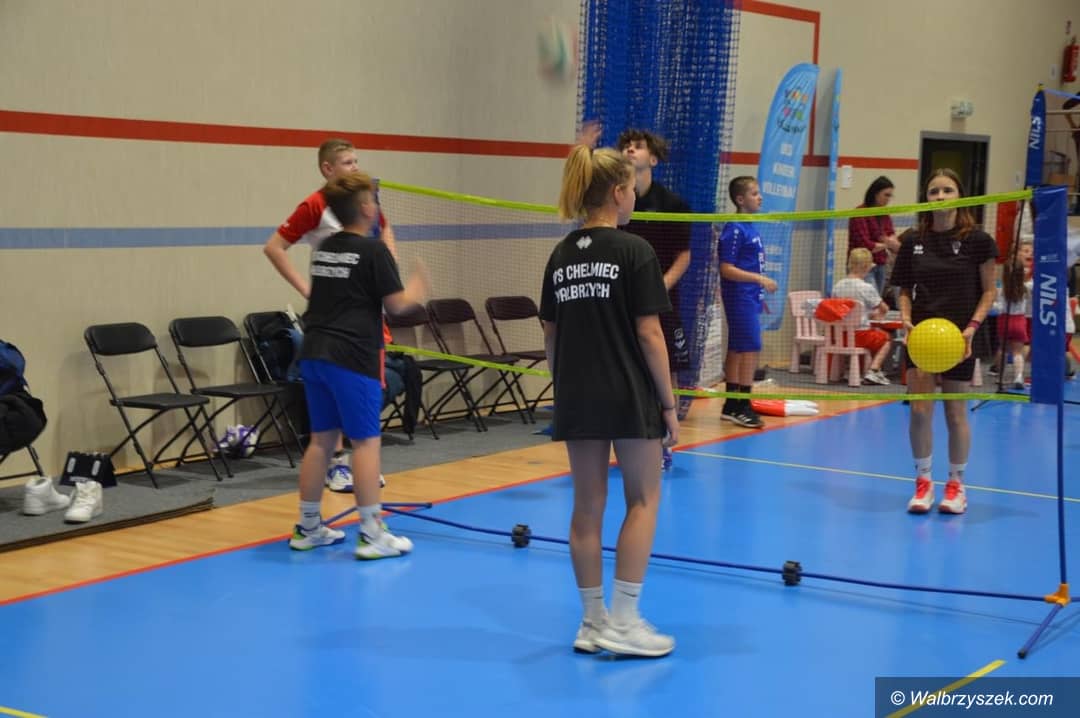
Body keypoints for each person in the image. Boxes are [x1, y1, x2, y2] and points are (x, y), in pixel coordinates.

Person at [540, 142, 679, 657]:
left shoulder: (561, 254)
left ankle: (591, 622)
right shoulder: (634, 250)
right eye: (633, 187)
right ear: (619, 193)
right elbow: (650, 334)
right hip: (628, 392)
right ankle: (623, 621)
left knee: (587, 505)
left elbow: (551, 335)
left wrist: (565, 385)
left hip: (578, 394)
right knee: (643, 499)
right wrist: (669, 404)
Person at [287, 172, 428, 558]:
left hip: (314, 353)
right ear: (366, 208)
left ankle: (308, 527)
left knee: (321, 442)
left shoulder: (324, 248)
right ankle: (372, 533)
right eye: (374, 200)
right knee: (365, 443)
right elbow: (397, 305)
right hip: (352, 357)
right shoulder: (373, 251)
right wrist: (418, 288)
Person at [263, 138, 397, 492]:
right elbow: (274, 247)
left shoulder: (365, 202)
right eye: (348, 162)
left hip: (367, 314)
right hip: (333, 319)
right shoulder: (314, 205)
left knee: (372, 387)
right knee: (332, 395)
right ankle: (337, 466)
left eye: (356, 161)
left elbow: (384, 229)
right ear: (328, 168)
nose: (355, 167)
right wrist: (307, 290)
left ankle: (364, 463)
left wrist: (390, 266)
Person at [891, 168, 997, 515]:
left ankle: (956, 485)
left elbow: (989, 291)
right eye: (933, 191)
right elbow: (903, 288)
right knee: (920, 410)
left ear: (960, 195)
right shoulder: (913, 241)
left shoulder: (978, 240)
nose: (939, 196)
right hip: (922, 337)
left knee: (955, 412)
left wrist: (972, 327)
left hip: (960, 338)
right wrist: (906, 319)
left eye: (947, 190)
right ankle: (923, 482)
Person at [616, 129, 692, 436]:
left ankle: (667, 436)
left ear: (654, 160)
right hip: (623, 299)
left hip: (662, 299)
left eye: (638, 147)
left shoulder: (673, 204)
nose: (630, 150)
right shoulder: (615, 202)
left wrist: (658, 288)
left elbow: (683, 256)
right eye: (626, 146)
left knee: (666, 366)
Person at [718, 176, 777, 428]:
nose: (760, 197)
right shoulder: (734, 229)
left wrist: (758, 292)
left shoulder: (751, 227)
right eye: (754, 193)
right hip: (738, 295)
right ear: (740, 200)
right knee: (751, 348)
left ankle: (732, 404)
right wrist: (759, 279)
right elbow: (726, 268)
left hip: (751, 296)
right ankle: (742, 403)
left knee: (737, 348)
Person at [831, 248, 893, 385]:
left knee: (872, 335)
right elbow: (884, 308)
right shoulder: (866, 287)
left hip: (840, 335)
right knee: (886, 339)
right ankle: (874, 370)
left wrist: (866, 313)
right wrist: (878, 315)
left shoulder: (837, 286)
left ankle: (851, 369)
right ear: (867, 267)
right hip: (860, 336)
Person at [847, 176, 901, 295]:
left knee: (877, 300)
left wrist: (887, 243)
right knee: (871, 300)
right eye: (886, 195)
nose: (888, 199)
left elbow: (894, 241)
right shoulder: (859, 213)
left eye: (890, 196)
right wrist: (887, 243)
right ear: (875, 193)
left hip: (881, 264)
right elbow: (866, 245)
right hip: (861, 266)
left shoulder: (884, 214)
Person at [993, 238, 1032, 389]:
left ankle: (1000, 377)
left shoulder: (1002, 290)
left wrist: (994, 305)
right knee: (1017, 352)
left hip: (1004, 320)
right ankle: (1018, 377)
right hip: (1019, 321)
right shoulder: (1025, 288)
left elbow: (999, 307)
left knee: (1003, 349)